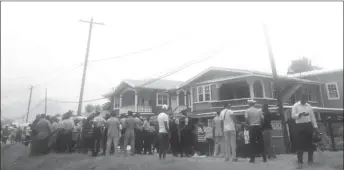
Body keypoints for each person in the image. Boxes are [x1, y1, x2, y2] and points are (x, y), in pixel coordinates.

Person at [291, 94, 318, 169]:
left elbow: (312, 117)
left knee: (310, 143)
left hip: (308, 125)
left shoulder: (309, 106)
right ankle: (300, 162)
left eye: (305, 100)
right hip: (299, 126)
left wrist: (315, 127)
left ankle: (310, 160)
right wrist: (299, 114)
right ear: (300, 99)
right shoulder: (295, 105)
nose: (304, 101)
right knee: (299, 144)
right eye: (303, 99)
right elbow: (292, 116)